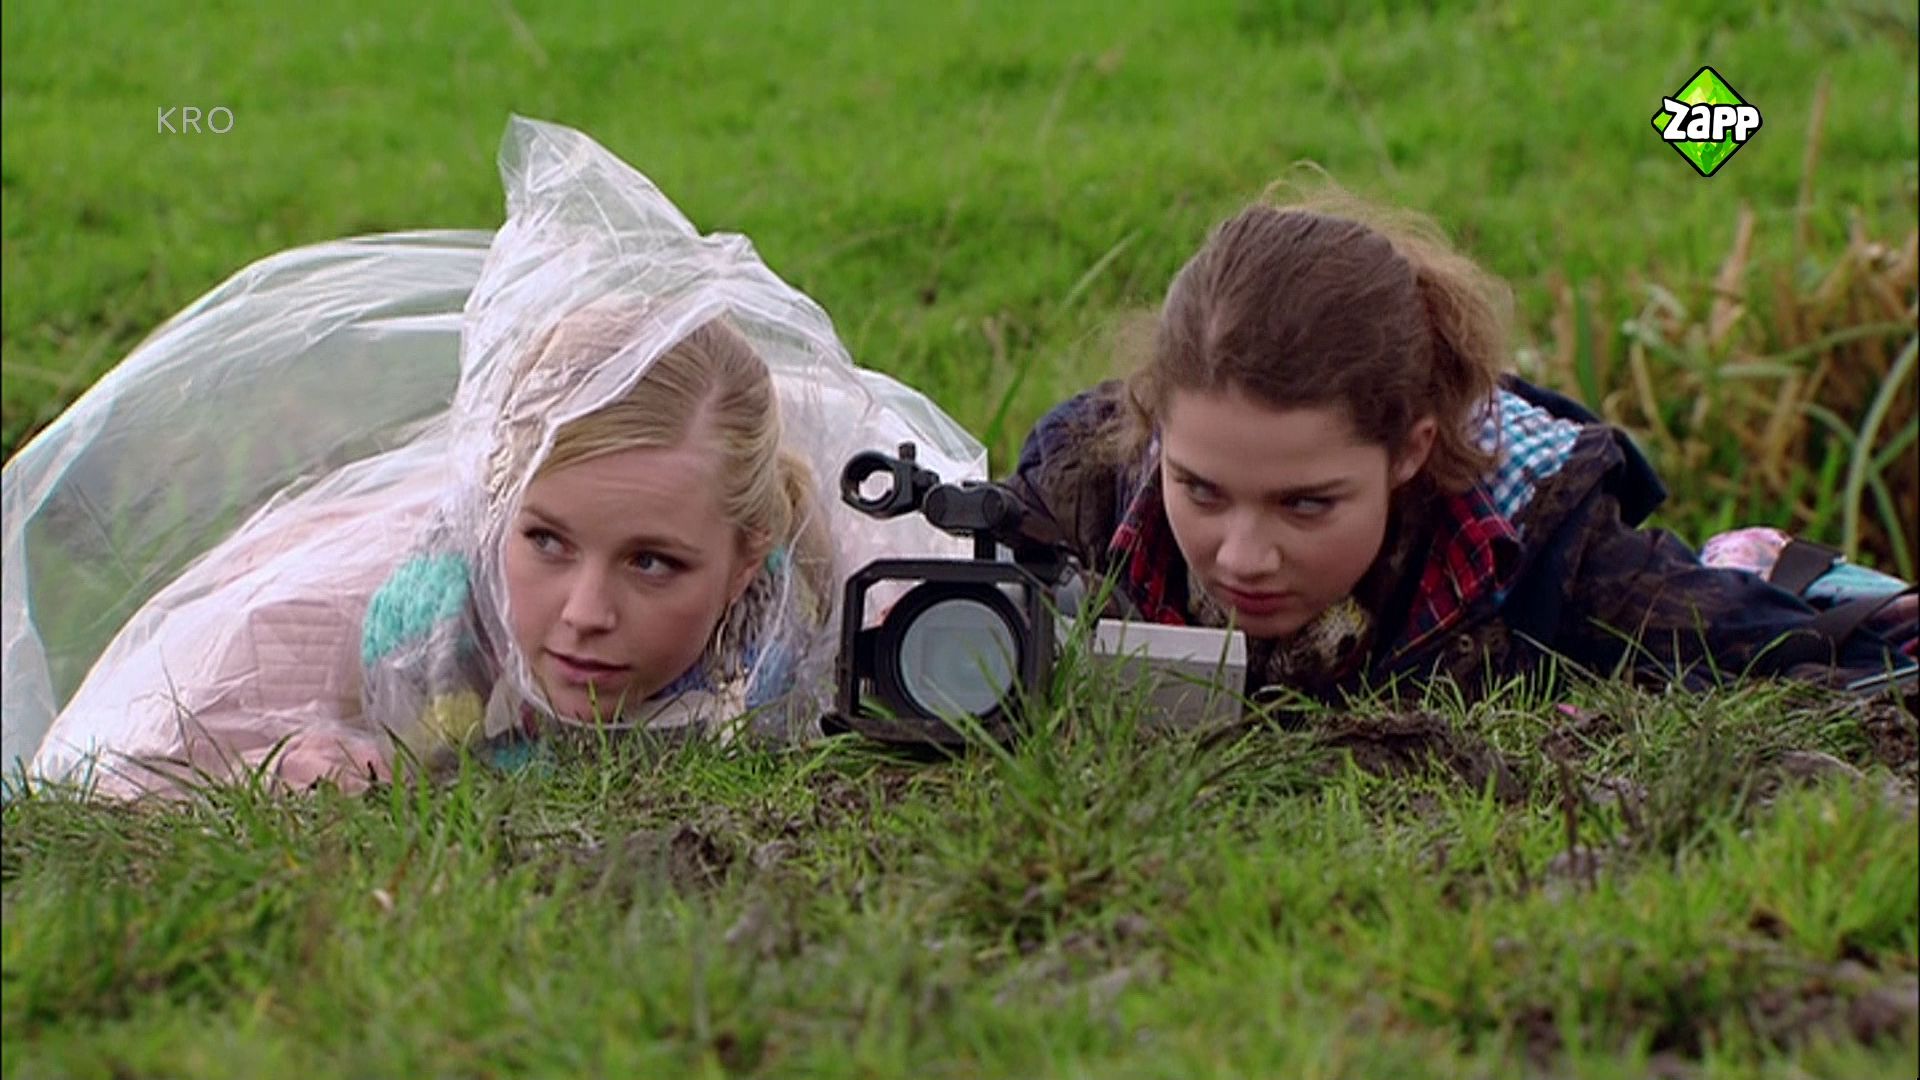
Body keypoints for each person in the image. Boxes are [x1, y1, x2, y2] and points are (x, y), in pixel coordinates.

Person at [8, 117, 984, 797]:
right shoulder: (401, 621)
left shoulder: (816, 630)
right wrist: (284, 767)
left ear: (744, 558)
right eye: (547, 541)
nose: (586, 613)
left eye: (652, 562)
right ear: (497, 512)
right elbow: (101, 775)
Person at [1005, 189, 1917, 708]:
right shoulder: (1079, 488)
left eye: (1306, 504)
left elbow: (1789, 648)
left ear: (1410, 453)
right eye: (1201, 489)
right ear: (1160, 426)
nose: (1242, 556)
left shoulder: (1550, 544)